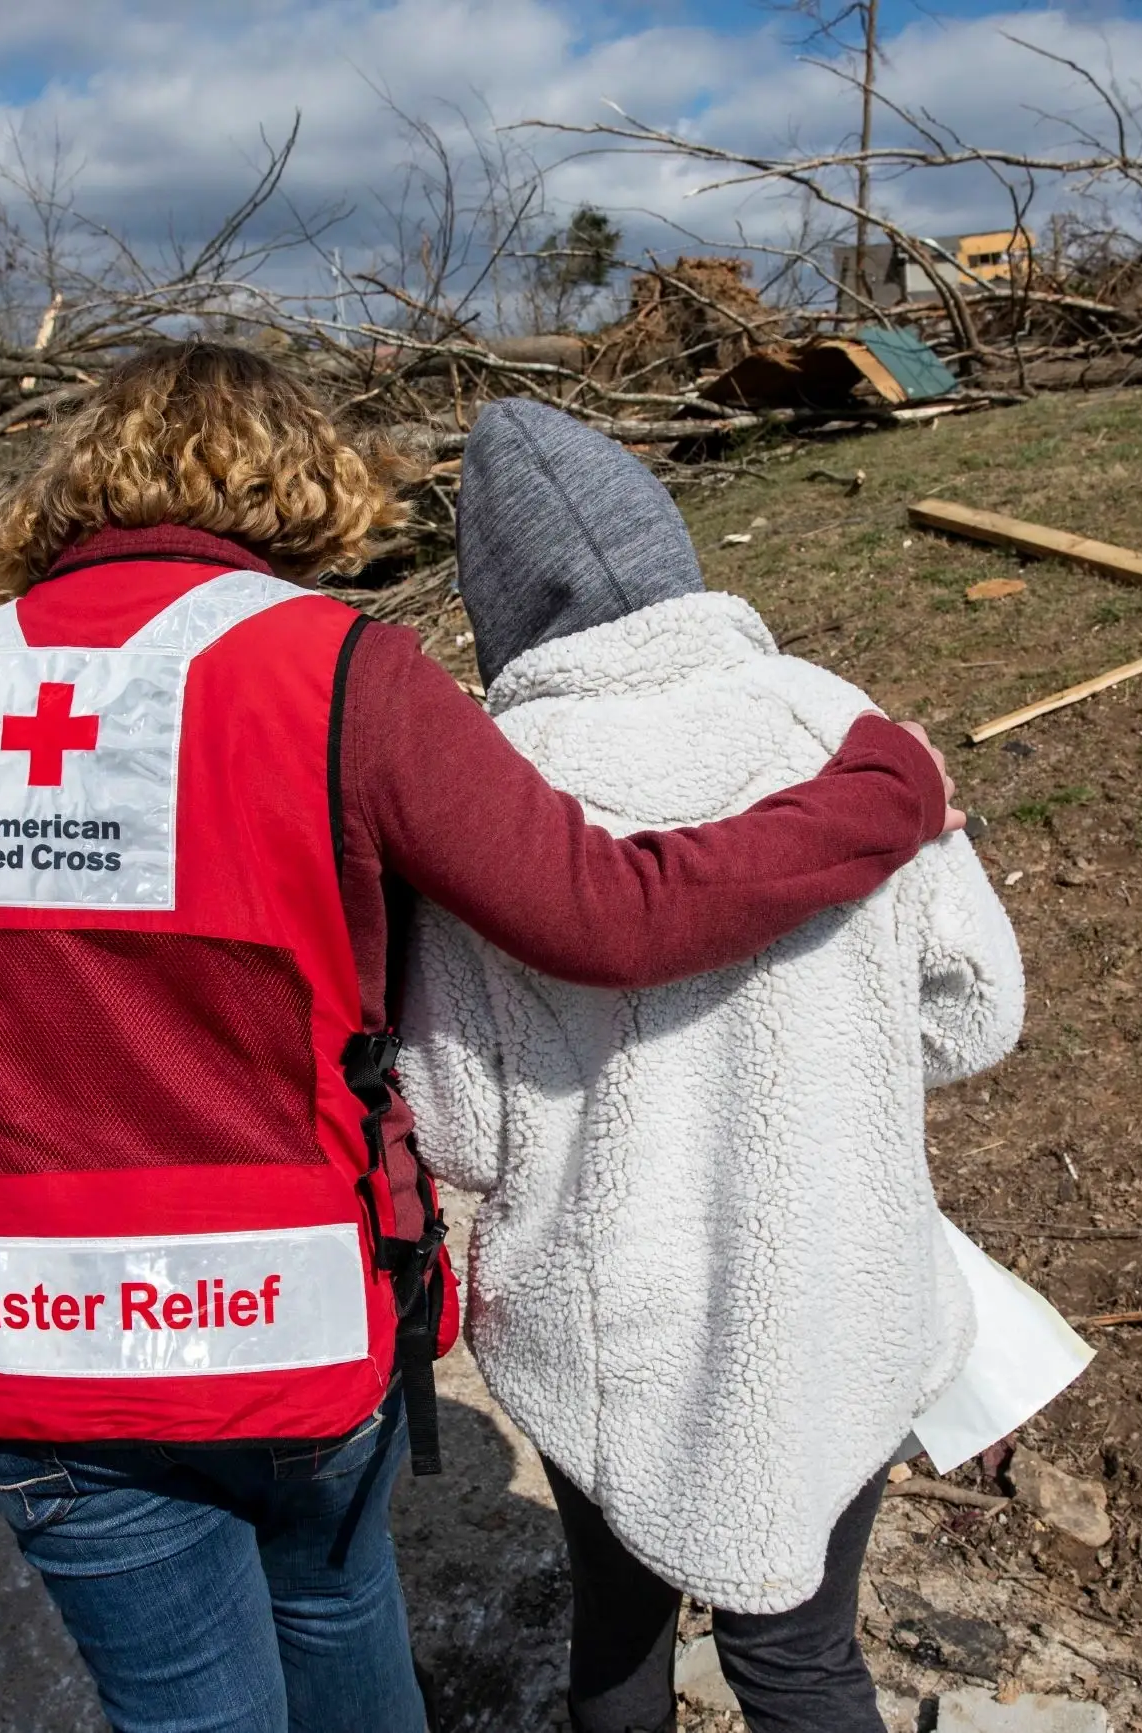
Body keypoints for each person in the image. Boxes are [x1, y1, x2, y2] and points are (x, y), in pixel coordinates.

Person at [0, 343, 967, 1733]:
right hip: (284, 1325)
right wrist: (882, 788)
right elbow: (611, 915)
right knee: (337, 1617)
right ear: (302, 482)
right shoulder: (335, 673)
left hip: (20, 1343)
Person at [398, 399, 1027, 1733]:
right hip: (840, 1300)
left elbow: (452, 1123)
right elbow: (978, 1016)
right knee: (802, 1662)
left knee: (617, 1647)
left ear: (492, 602)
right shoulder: (837, 728)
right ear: (670, 540)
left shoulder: (491, 794)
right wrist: (835, 1060)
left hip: (604, 1330)